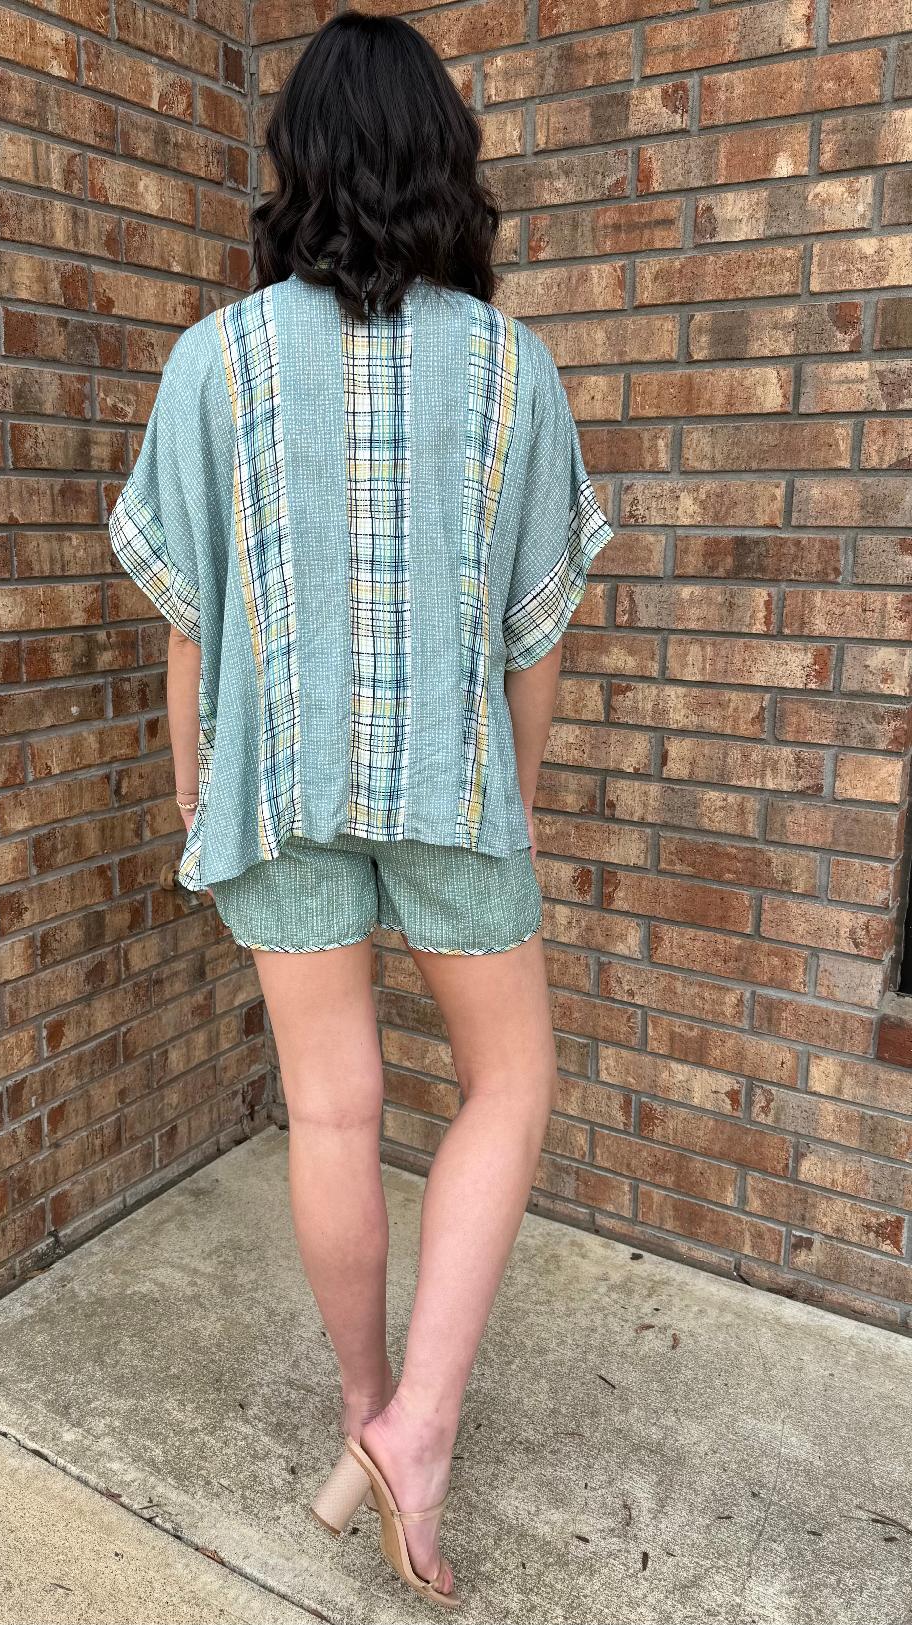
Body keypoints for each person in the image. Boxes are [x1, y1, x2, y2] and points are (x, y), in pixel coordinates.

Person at [109, 10, 614, 1608]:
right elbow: (537, 630)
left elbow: (189, 621)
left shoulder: (216, 360)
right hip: (455, 781)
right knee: (508, 1083)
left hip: (279, 782)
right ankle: (422, 1426)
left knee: (332, 1109)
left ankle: (363, 1414)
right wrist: (512, 791)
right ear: (444, 162)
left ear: (298, 164)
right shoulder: (513, 368)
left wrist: (196, 787)